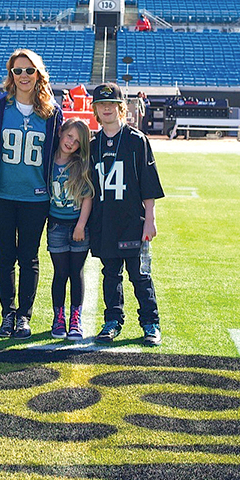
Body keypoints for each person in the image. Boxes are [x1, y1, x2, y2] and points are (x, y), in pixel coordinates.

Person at [0, 48, 63, 339]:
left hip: (36, 197)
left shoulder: (52, 111)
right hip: (0, 194)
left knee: (29, 257)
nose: (24, 76)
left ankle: (25, 317)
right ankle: (8, 313)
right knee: (4, 256)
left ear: (38, 74)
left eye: (29, 70)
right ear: (11, 75)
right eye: (18, 71)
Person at [89, 82, 165, 346]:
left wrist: (150, 220)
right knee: (110, 275)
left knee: (140, 276)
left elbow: (148, 183)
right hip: (105, 222)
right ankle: (112, 320)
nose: (106, 108)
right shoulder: (93, 143)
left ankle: (150, 323)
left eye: (112, 104)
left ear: (121, 108)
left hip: (134, 222)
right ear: (95, 109)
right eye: (101, 104)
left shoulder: (136, 140)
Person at [47, 118, 94, 341]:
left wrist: (81, 225)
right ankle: (59, 317)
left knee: (76, 273)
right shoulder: (47, 161)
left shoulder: (79, 165)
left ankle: (76, 317)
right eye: (69, 136)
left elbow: (87, 197)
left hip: (77, 228)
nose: (71, 143)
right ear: (60, 133)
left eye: (76, 141)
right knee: (60, 273)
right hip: (55, 226)